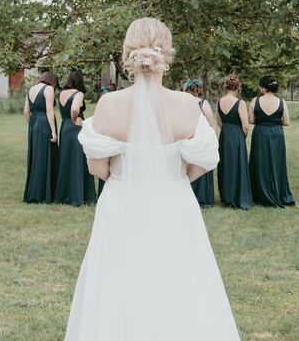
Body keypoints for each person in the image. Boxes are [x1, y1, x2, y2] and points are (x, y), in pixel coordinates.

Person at [65, 18, 240, 340]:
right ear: (167, 53)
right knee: (178, 284)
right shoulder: (188, 105)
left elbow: (97, 169)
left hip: (121, 204)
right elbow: (200, 165)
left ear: (127, 54)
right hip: (173, 202)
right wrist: (169, 176)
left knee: (117, 287)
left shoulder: (108, 104)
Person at [248, 75, 295, 207]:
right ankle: (277, 191)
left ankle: (258, 193)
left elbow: (251, 120)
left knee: (259, 161)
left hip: (260, 133)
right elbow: (286, 122)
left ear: (263, 87)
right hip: (276, 134)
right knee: (276, 162)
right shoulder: (282, 102)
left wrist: (263, 121)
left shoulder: (255, 101)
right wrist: (274, 121)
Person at [54, 69, 96, 206]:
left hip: (64, 128)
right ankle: (79, 195)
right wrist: (75, 118)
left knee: (66, 160)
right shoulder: (78, 94)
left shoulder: (61, 93)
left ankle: (63, 195)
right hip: (76, 127)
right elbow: (74, 109)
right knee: (79, 160)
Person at [217, 74, 253, 209]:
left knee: (226, 165)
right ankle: (238, 196)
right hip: (236, 135)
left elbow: (219, 121)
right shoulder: (240, 103)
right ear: (238, 87)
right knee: (237, 165)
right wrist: (241, 137)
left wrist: (226, 130)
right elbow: (245, 126)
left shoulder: (219, 101)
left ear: (226, 86)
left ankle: (227, 197)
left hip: (225, 134)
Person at [23, 71, 59, 203]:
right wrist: (54, 131)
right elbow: (49, 110)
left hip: (34, 125)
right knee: (45, 157)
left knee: (36, 158)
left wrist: (32, 125)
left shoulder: (31, 89)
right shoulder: (48, 88)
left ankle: (34, 192)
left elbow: (26, 111)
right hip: (45, 124)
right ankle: (45, 193)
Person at [184, 77, 216, 207]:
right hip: (201, 139)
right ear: (199, 89)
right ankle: (203, 197)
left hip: (187, 138)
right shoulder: (203, 103)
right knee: (201, 165)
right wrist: (212, 139)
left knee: (188, 167)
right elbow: (211, 122)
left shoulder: (183, 103)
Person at [97, 82, 118, 198]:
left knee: (106, 161)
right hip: (115, 134)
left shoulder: (103, 103)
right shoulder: (117, 103)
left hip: (105, 135)